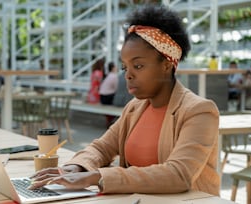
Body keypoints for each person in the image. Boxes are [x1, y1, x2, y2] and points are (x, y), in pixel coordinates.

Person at [28, 4, 220, 196]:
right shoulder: (135, 108)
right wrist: (76, 167)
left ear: (167, 65)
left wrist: (96, 176)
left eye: (138, 65)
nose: (128, 75)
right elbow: (102, 147)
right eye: (125, 67)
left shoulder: (199, 111)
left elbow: (178, 175)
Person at [99, 62, 119, 128]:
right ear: (113, 68)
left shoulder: (108, 75)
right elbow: (116, 88)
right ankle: (112, 122)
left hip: (102, 97)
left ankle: (109, 120)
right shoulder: (114, 76)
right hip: (107, 97)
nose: (117, 68)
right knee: (120, 102)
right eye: (116, 66)